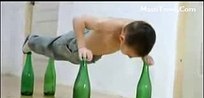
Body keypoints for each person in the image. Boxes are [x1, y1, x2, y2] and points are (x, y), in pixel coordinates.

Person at [22, 15, 156, 65]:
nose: (130, 57)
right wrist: (82, 47)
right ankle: (31, 41)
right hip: (74, 46)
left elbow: (141, 38)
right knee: (50, 49)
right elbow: (78, 20)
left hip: (92, 54)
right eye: (130, 55)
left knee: (52, 51)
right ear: (122, 38)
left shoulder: (136, 29)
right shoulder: (107, 25)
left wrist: (144, 55)